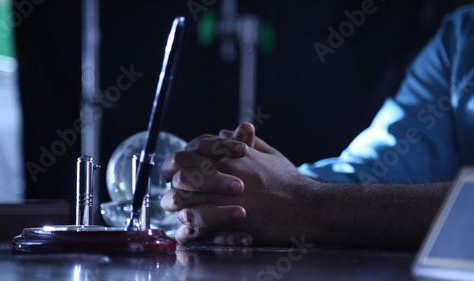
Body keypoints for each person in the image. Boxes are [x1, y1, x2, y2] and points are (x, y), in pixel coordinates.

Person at [160, 4, 474, 249]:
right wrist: (244, 189)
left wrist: (305, 205)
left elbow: (304, 201)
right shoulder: (462, 37)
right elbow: (382, 163)